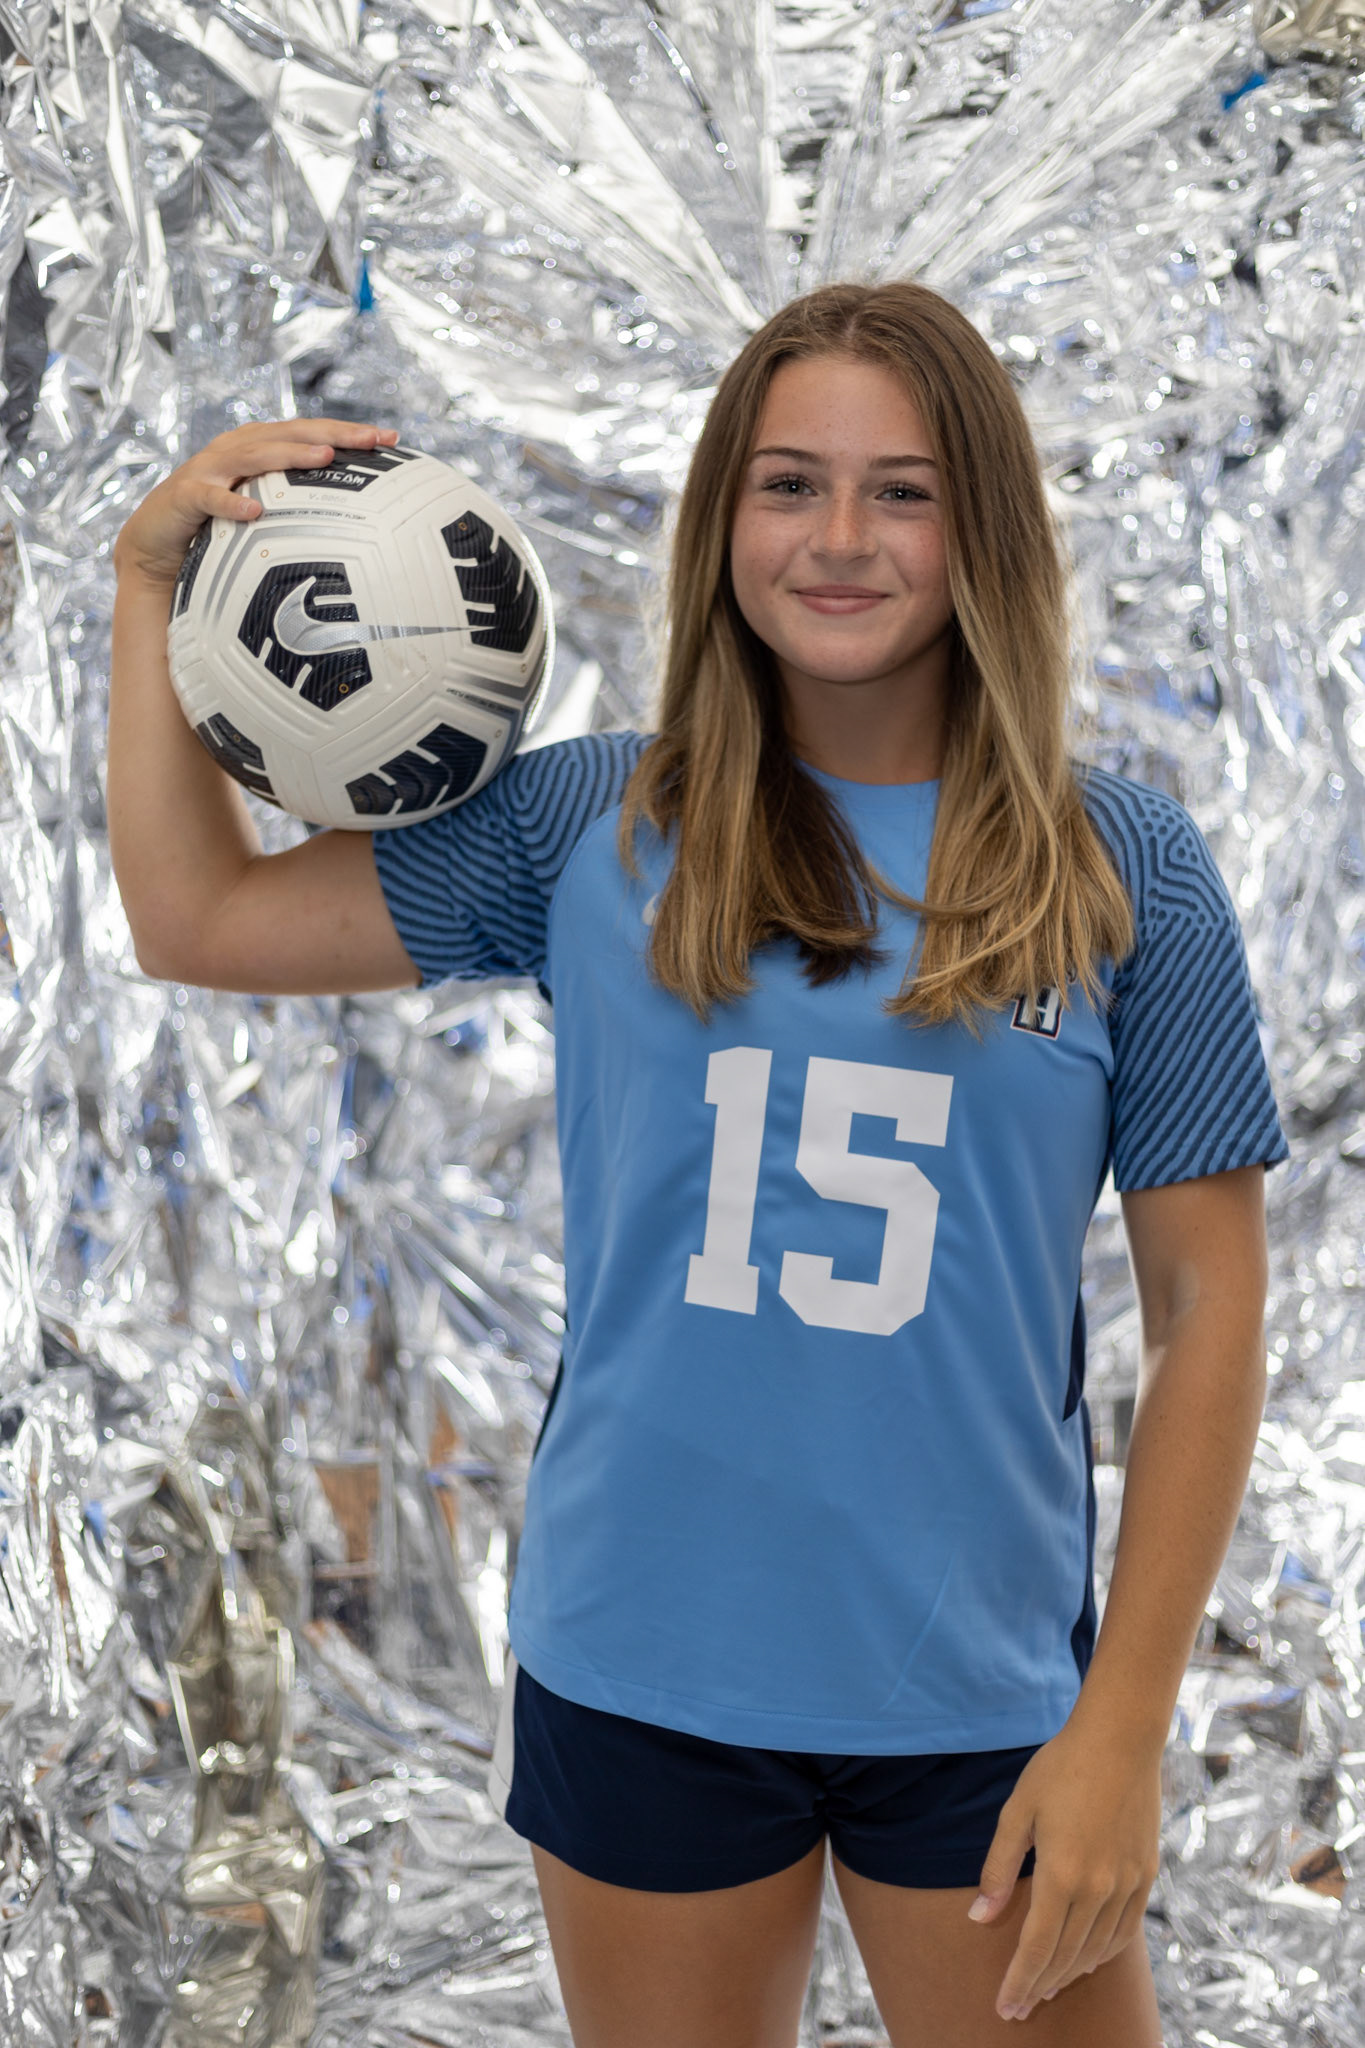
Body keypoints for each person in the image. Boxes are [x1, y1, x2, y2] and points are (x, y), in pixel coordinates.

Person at [108, 280, 1285, 2048]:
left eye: (901, 489)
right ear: (720, 518)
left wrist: (1121, 1728)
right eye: (787, 483)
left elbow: (1207, 1308)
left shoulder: (1118, 866)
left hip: (976, 1690)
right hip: (641, 1662)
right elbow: (198, 914)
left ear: (985, 524)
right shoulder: (600, 821)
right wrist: (150, 588)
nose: (839, 538)